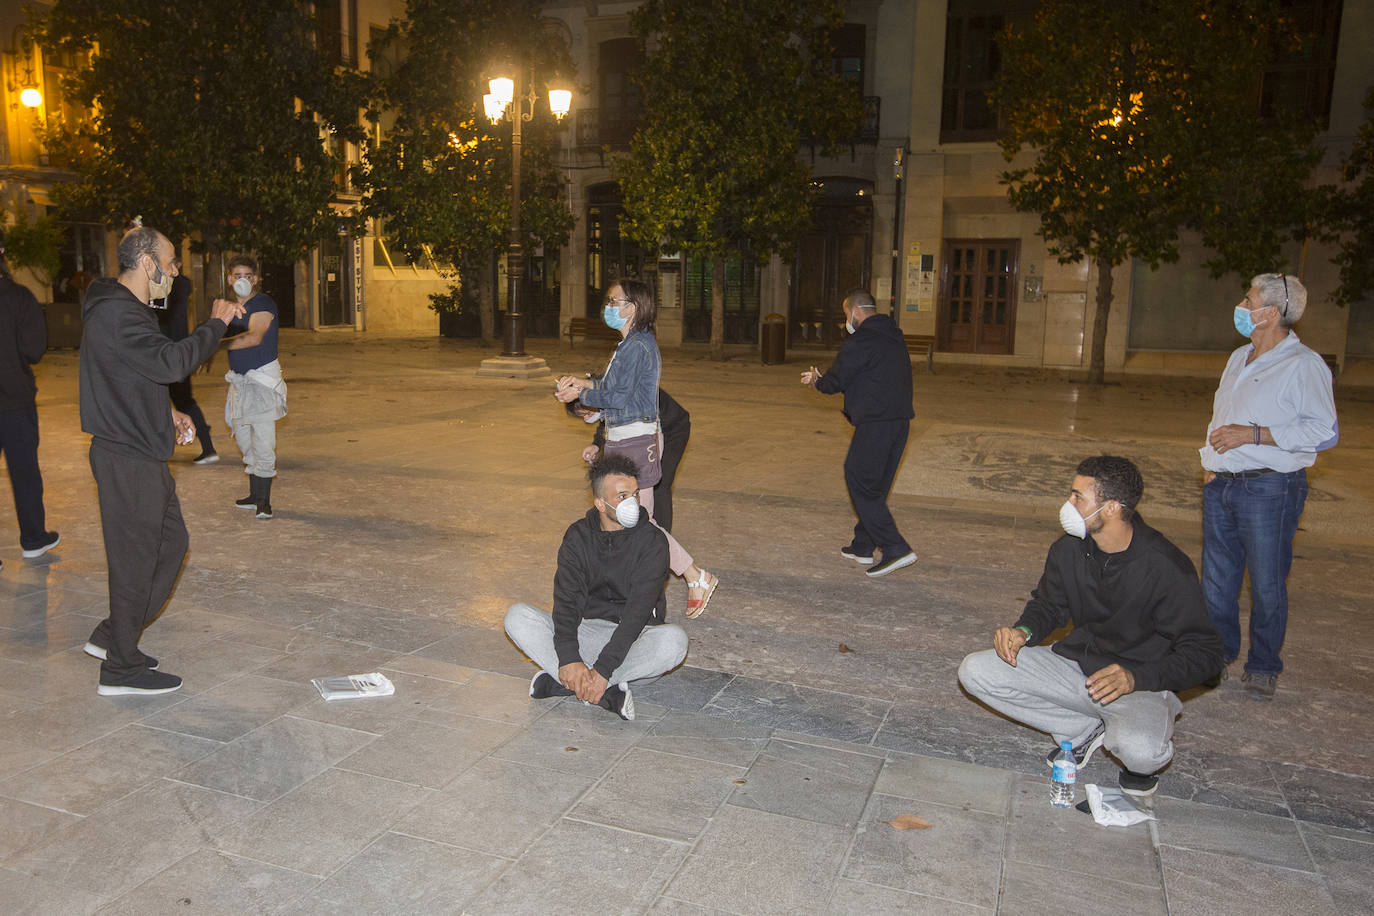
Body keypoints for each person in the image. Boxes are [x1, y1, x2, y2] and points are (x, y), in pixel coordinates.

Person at [958, 456, 1224, 797]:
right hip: (1077, 666)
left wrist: (1136, 677)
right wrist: (1023, 631)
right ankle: (1083, 730)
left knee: (1142, 754)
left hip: (1138, 684)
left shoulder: (1165, 567)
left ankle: (1129, 724)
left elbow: (1207, 653)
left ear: (1111, 508)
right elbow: (1049, 604)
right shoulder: (1069, 548)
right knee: (976, 671)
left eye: (1077, 496)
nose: (1068, 504)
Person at [79, 225, 244, 695]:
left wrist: (165, 411)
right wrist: (214, 324)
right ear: (147, 264)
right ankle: (121, 669)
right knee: (135, 562)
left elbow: (132, 372)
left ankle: (113, 636)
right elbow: (172, 363)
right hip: (126, 458)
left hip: (139, 449)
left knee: (171, 545)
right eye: (170, 263)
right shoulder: (119, 315)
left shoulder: (122, 309)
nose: (174, 272)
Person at [1200, 273, 1338, 701]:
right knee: (1217, 581)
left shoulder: (1304, 364)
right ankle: (1217, 654)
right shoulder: (1238, 356)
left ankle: (1263, 665)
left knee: (1266, 582)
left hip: (1270, 490)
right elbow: (1222, 414)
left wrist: (1254, 435)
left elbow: (1324, 432)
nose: (1242, 305)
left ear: (1271, 312)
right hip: (1222, 485)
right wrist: (1210, 460)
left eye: (1249, 298)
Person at [555, 278, 718, 617]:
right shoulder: (629, 345)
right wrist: (582, 383)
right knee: (634, 520)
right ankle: (680, 579)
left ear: (633, 306)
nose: (609, 307)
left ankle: (693, 575)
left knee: (639, 521)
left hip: (636, 441)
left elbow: (616, 397)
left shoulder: (638, 346)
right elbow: (612, 387)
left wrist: (580, 395)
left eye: (614, 301)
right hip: (624, 439)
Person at [504, 453, 689, 721]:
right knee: (517, 616)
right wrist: (569, 658)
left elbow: (638, 614)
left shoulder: (653, 542)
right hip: (587, 632)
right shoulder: (578, 537)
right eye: (622, 497)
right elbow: (566, 601)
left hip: (633, 644)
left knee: (674, 642)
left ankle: (568, 683)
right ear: (600, 504)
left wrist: (603, 671)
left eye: (635, 495)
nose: (633, 504)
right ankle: (600, 690)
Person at [800, 287, 917, 578]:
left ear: (854, 312)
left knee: (859, 479)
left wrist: (818, 380)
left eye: (845, 314)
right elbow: (874, 378)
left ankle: (895, 547)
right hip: (899, 422)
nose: (846, 321)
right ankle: (863, 545)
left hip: (876, 424)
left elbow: (838, 379)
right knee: (875, 485)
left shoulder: (861, 340)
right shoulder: (894, 336)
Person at [0, 233, 59, 567]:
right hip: (14, 398)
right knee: (24, 471)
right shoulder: (19, 297)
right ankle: (33, 538)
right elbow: (34, 350)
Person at [569, 383, 691, 532]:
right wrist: (596, 445)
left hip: (672, 429)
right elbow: (607, 421)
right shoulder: (602, 395)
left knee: (659, 483)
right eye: (582, 417)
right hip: (647, 432)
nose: (587, 418)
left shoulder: (613, 389)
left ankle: (661, 535)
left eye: (586, 413)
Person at [220, 255, 286, 520]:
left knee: (263, 440)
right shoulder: (232, 308)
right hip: (239, 381)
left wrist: (214, 344)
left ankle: (264, 503)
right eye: (237, 276)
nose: (242, 280)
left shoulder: (263, 303)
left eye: (247, 275)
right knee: (245, 438)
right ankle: (254, 495)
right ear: (229, 279)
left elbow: (255, 336)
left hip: (261, 382)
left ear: (255, 279)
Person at [155, 257, 217, 464]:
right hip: (169, 350)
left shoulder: (179, 284)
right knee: (179, 401)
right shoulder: (176, 285)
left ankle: (208, 447)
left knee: (184, 401)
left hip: (172, 351)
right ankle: (207, 446)